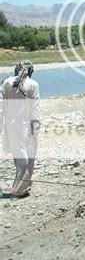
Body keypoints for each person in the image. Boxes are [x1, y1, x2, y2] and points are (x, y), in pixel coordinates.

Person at [1, 60, 40, 198]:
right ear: (30, 71)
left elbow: (1, 109)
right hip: (26, 126)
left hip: (10, 126)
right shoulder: (33, 85)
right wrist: (35, 131)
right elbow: (35, 110)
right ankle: (19, 190)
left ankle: (19, 186)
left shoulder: (6, 83)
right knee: (27, 157)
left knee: (18, 157)